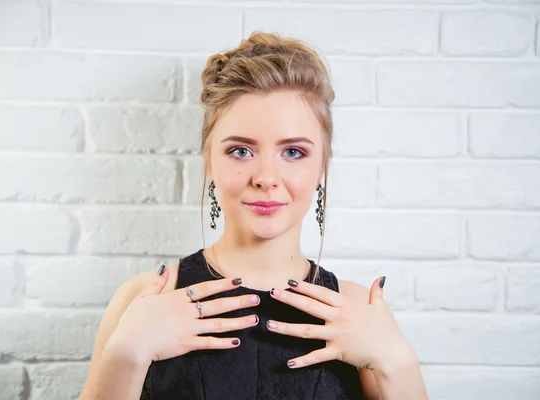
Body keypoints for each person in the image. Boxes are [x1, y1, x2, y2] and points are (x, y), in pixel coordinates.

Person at [79, 32, 429, 400]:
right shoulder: (143, 298)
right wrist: (126, 356)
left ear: (322, 167)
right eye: (241, 151)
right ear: (209, 162)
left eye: (293, 152)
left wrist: (397, 362)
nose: (265, 178)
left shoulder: (359, 310)